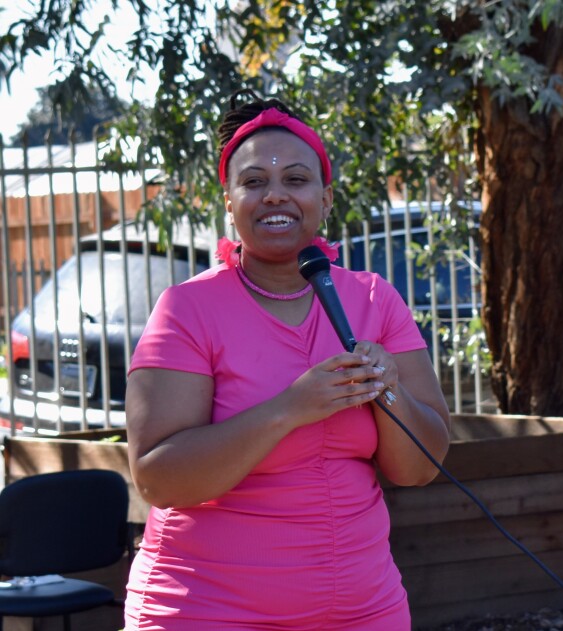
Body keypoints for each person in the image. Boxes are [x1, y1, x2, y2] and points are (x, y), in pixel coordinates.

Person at [123, 92, 451, 630]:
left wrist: (388, 388)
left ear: (325, 197)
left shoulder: (374, 300)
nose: (275, 195)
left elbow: (420, 467)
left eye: (295, 180)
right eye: (254, 182)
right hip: (205, 609)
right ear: (229, 203)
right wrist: (290, 409)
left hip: (364, 610)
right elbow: (160, 480)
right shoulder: (188, 309)